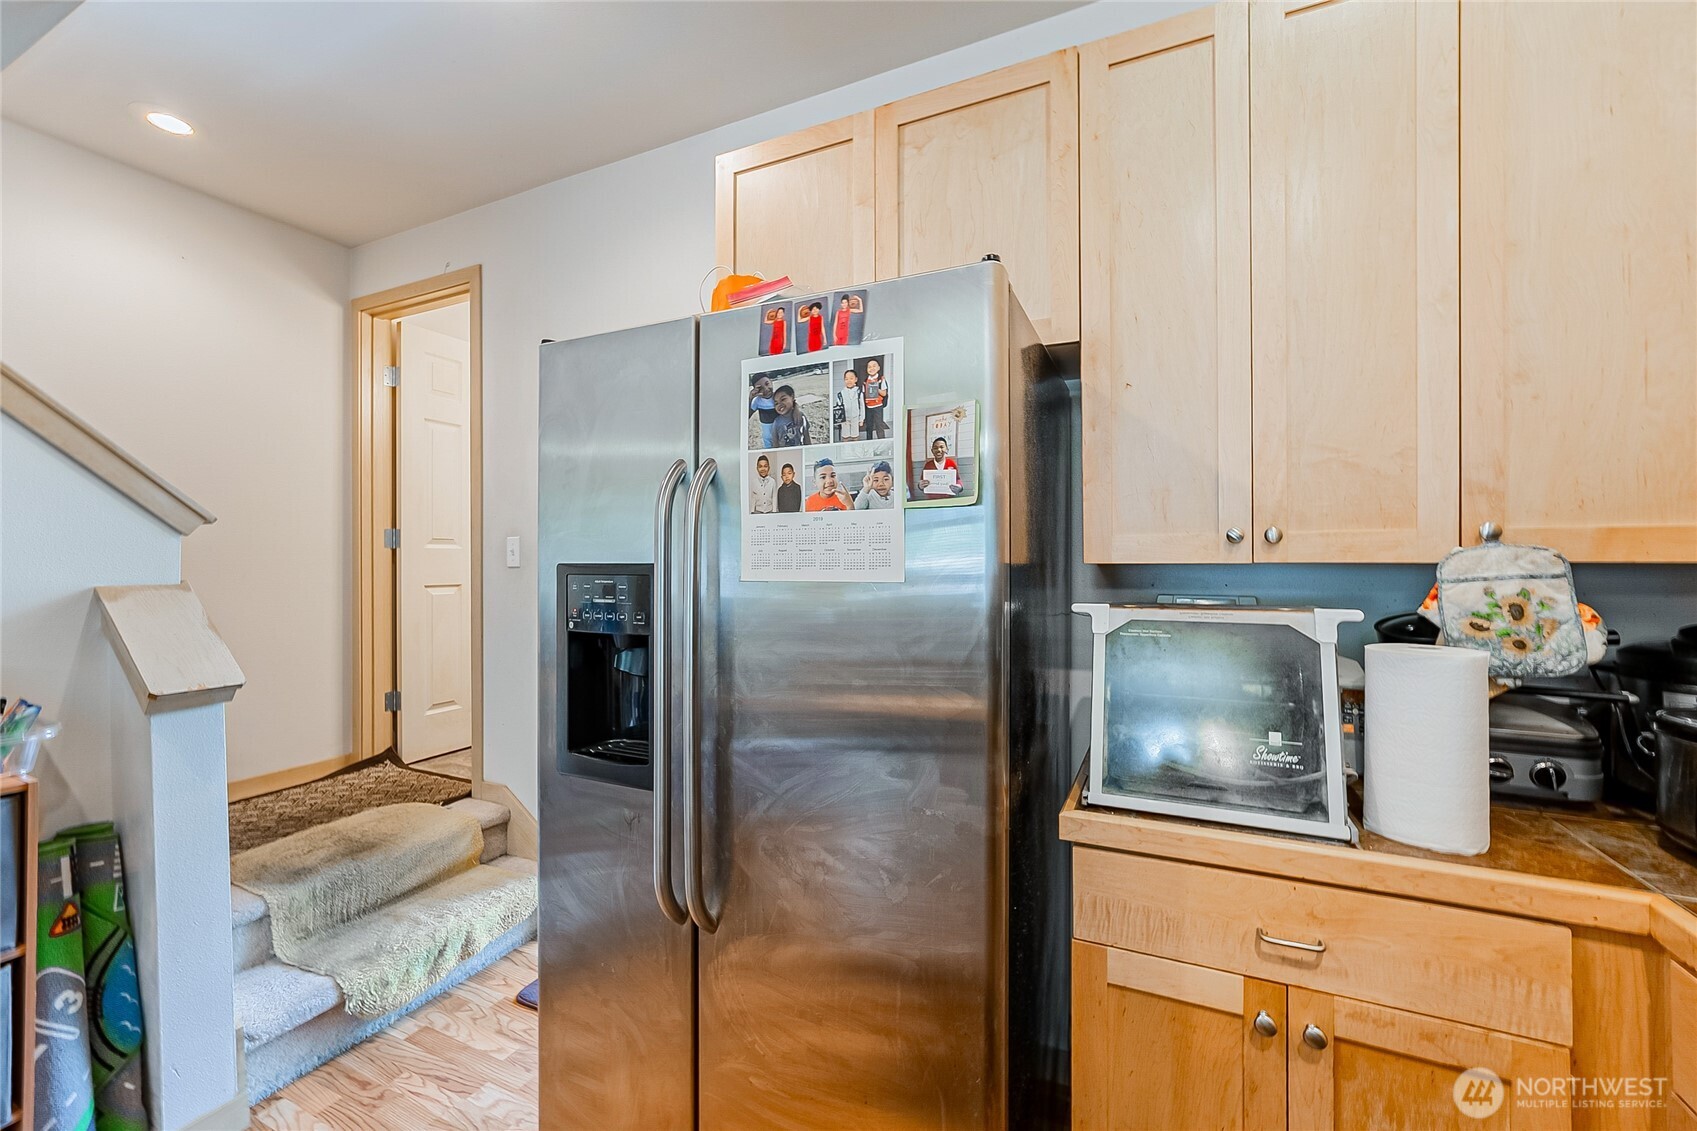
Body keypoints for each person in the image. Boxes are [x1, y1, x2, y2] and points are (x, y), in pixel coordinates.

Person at [768, 383, 811, 448]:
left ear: (792, 397)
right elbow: (775, 443)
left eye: (783, 399)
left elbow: (806, 437)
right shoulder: (776, 422)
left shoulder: (801, 416)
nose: (779, 404)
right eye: (776, 403)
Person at [861, 357, 887, 439]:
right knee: (869, 426)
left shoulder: (881, 379)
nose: (871, 368)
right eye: (869, 367)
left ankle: (882, 441)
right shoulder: (865, 381)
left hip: (878, 406)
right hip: (868, 407)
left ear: (878, 367)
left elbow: (884, 393)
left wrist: (876, 388)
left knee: (879, 426)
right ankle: (869, 441)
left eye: (874, 366)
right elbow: (863, 394)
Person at [836, 367, 865, 442]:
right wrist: (839, 420)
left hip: (855, 418)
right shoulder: (841, 394)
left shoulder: (858, 392)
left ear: (855, 379)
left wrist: (861, 419)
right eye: (846, 379)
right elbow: (839, 408)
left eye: (851, 378)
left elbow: (862, 406)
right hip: (844, 419)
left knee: (855, 436)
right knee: (845, 437)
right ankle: (846, 451)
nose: (849, 381)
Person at [749, 374, 777, 448]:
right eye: (760, 388)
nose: (766, 389)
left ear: (772, 382)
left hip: (782, 434)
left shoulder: (778, 396)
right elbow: (746, 416)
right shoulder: (757, 401)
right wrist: (750, 398)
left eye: (767, 384)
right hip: (768, 439)